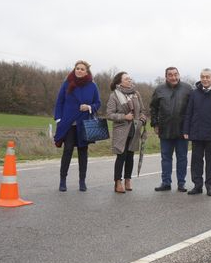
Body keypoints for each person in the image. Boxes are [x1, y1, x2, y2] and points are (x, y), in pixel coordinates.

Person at [53, 60, 101, 192]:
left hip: (83, 123)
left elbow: (98, 103)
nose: (79, 71)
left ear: (87, 72)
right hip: (68, 123)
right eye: (77, 68)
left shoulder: (92, 86)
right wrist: (58, 119)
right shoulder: (67, 83)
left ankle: (82, 181)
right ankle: (62, 180)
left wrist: (89, 107)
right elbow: (59, 102)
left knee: (82, 152)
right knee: (67, 150)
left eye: (82, 69)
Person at [183, 69, 211, 196]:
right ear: (200, 78)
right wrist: (186, 130)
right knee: (196, 161)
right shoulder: (194, 93)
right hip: (196, 132)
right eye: (203, 77)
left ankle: (209, 186)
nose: (205, 79)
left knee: (210, 161)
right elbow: (189, 113)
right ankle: (197, 185)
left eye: (208, 77)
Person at [150, 66, 193, 192]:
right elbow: (153, 108)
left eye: (175, 74)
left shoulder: (187, 89)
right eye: (170, 75)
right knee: (166, 158)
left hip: (182, 130)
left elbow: (192, 109)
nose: (173, 77)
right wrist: (155, 124)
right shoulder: (159, 89)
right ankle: (166, 183)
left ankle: (181, 183)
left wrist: (190, 127)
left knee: (182, 158)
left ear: (179, 75)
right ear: (166, 76)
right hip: (165, 129)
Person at [106, 72, 147, 194]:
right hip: (121, 131)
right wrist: (124, 116)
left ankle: (128, 180)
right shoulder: (114, 95)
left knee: (130, 157)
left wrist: (142, 119)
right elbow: (109, 114)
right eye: (126, 79)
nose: (130, 80)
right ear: (119, 82)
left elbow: (143, 110)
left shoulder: (136, 94)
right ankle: (118, 182)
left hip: (135, 129)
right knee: (121, 156)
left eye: (130, 78)